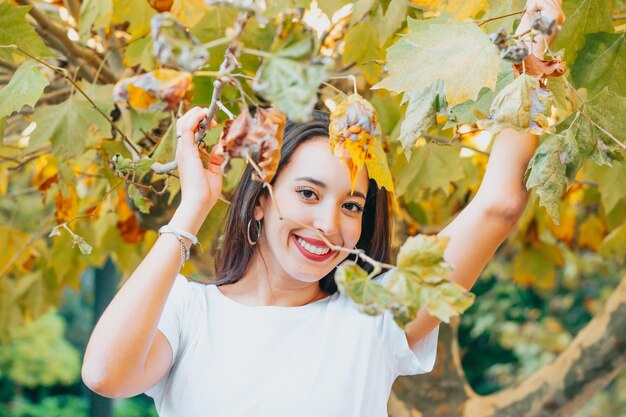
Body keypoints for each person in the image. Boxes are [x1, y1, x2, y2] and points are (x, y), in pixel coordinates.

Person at [81, 1, 564, 416]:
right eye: (308, 194)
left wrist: (533, 42)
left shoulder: (376, 314)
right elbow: (105, 375)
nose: (329, 224)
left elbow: (498, 204)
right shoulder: (189, 310)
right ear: (259, 203)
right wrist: (193, 207)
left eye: (352, 205)